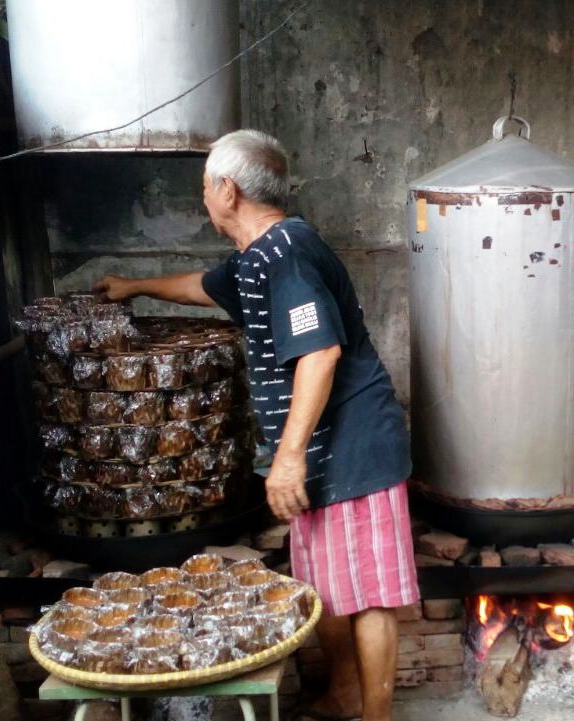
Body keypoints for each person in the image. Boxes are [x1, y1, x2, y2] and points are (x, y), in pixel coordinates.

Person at [94, 129, 418, 721]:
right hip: (320, 448)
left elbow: (320, 353)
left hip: (355, 446)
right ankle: (345, 693)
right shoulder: (255, 258)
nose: (203, 198)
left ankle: (377, 716)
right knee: (326, 584)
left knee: (369, 592)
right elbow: (202, 288)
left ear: (229, 189)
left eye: (204, 187)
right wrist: (134, 286)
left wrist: (288, 457)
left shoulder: (287, 254)